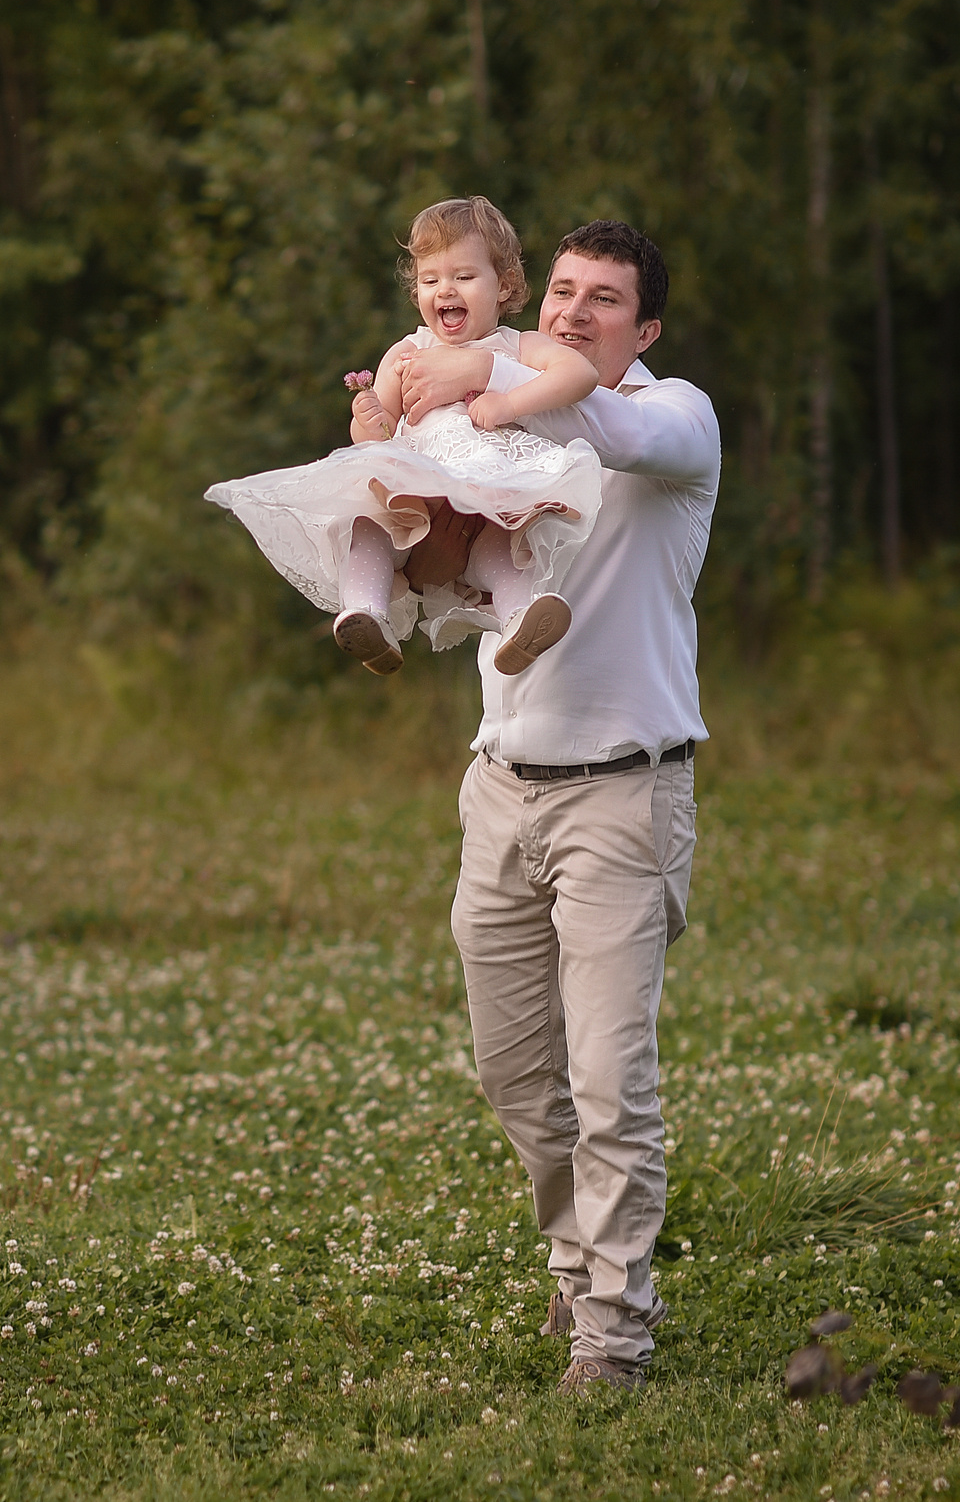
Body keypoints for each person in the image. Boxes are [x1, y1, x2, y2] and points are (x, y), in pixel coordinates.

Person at [400, 220, 719, 1396]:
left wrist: (481, 372)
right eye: (567, 292)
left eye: (607, 301)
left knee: (608, 1078)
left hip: (625, 798)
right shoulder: (510, 404)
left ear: (644, 328)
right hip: (499, 791)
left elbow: (612, 425)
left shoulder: (675, 418)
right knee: (514, 1072)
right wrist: (397, 399)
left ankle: (613, 1331)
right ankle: (582, 1260)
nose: (578, 313)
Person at [205, 197, 604, 677]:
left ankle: (522, 619)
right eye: (431, 279)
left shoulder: (515, 346)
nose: (445, 290)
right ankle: (367, 614)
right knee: (366, 526)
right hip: (414, 503)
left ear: (506, 285)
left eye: (463, 277)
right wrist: (368, 418)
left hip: (486, 502)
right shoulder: (409, 351)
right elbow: (375, 437)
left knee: (503, 547)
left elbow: (578, 374)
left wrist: (508, 400)